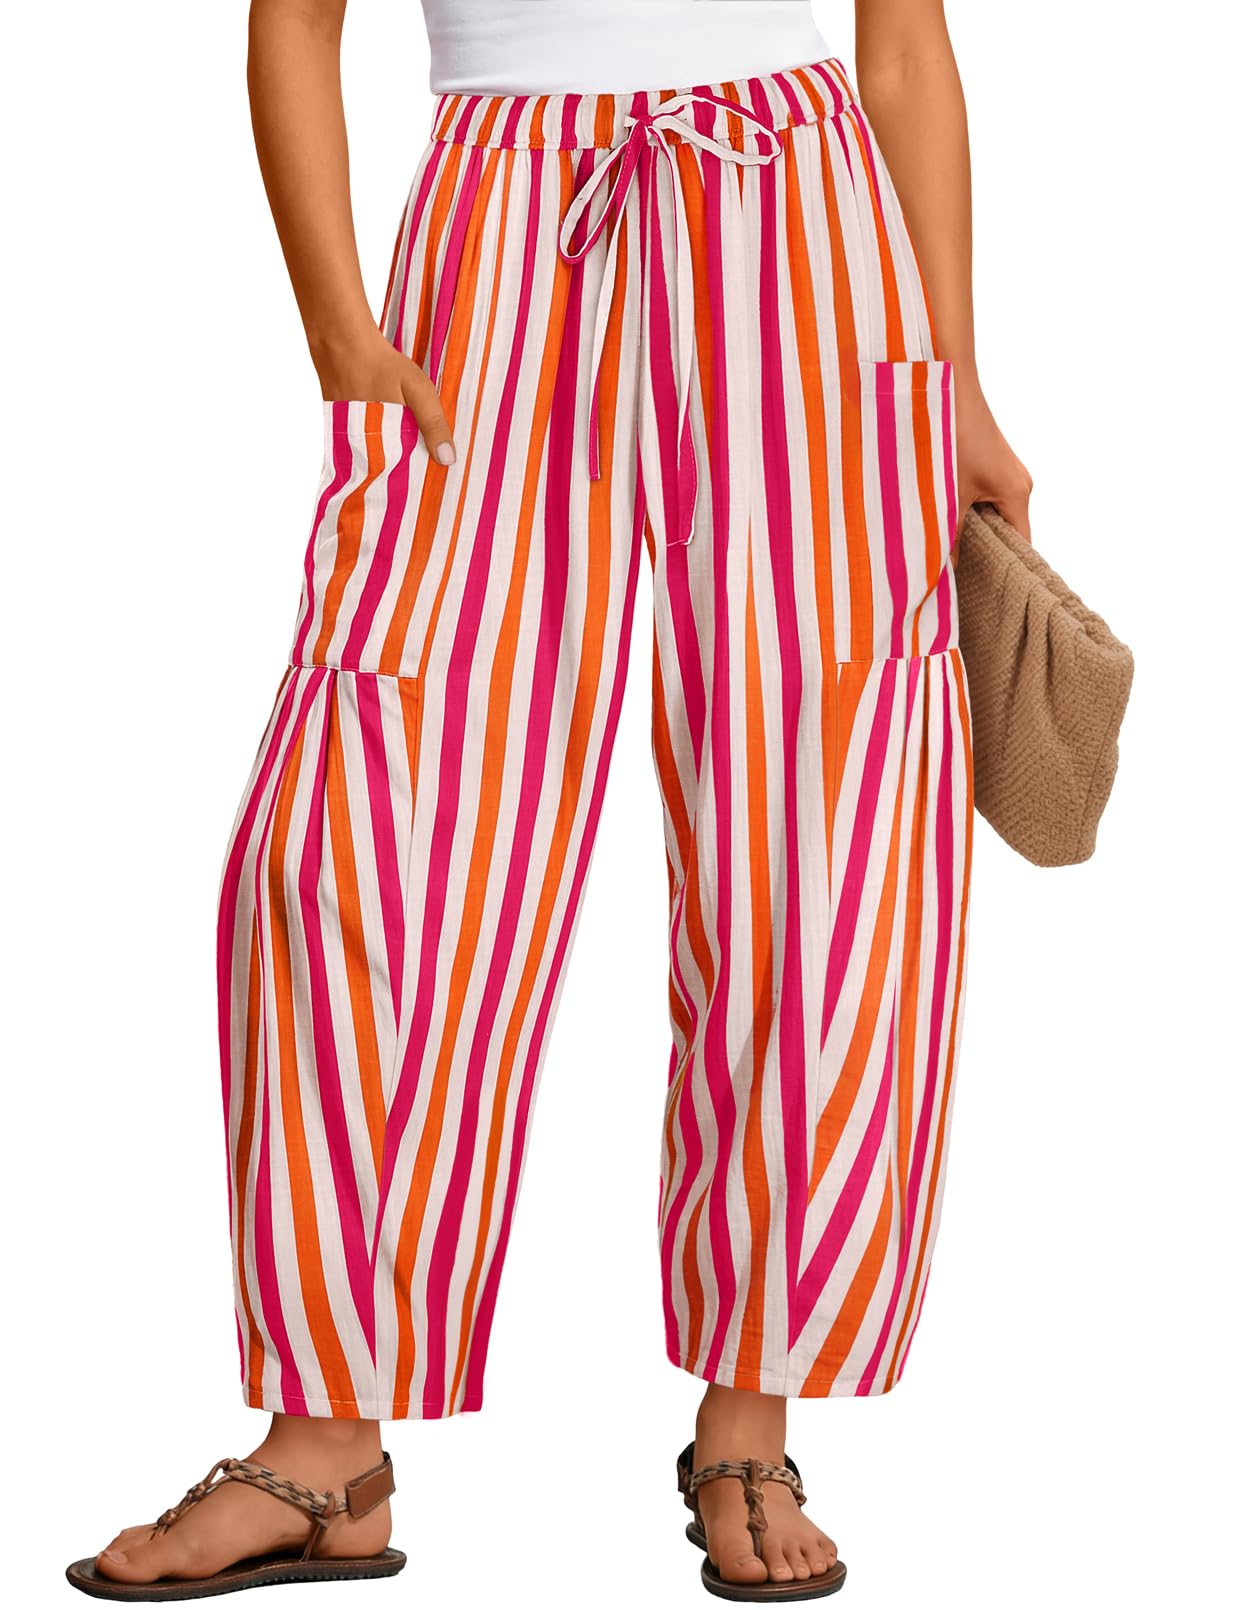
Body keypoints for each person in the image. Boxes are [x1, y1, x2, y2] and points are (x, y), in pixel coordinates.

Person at [67, 0, 1032, 1601]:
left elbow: (906, 44)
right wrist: (341, 338)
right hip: (500, 216)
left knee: (820, 810)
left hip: (801, 215)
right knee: (360, 820)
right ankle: (325, 1447)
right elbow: (294, 19)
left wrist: (960, 383)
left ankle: (749, 1417)